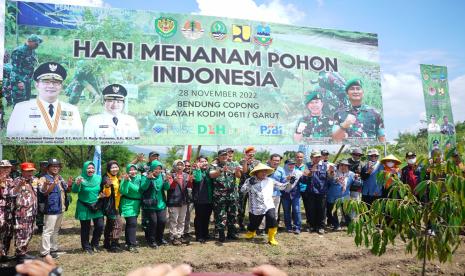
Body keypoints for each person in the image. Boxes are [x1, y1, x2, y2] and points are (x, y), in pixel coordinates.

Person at [7, 62, 83, 138]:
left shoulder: (73, 110)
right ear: (37, 85)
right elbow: (12, 138)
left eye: (56, 82)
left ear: (61, 86)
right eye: (46, 82)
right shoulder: (21, 109)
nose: (51, 86)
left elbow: (78, 138)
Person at [242, 163, 291, 245]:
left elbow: (282, 187)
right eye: (261, 171)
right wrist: (249, 184)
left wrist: (289, 182)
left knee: (272, 219)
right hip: (256, 207)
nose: (264, 173)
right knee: (254, 223)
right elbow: (242, 191)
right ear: (256, 172)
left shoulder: (270, 180)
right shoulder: (250, 180)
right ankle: (251, 232)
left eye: (265, 171)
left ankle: (271, 238)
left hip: (269, 205)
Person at [332, 78, 385, 142]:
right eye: (352, 89)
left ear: (362, 92)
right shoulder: (338, 114)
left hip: (368, 151)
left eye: (358, 89)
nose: (355, 91)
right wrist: (344, 125)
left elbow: (382, 138)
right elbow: (335, 138)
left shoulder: (375, 113)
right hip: (348, 151)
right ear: (347, 93)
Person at [39, 158, 71, 258]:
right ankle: (45, 252)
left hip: (60, 208)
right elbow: (45, 192)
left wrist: (70, 184)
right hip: (50, 208)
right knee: (48, 230)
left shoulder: (60, 177)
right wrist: (53, 184)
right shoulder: (43, 178)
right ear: (48, 167)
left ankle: (53, 249)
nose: (55, 168)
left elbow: (67, 190)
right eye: (53, 166)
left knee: (56, 230)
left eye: (57, 166)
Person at [209, 149, 242, 242]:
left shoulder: (233, 164)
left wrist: (237, 171)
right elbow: (212, 175)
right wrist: (220, 170)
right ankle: (221, 234)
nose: (224, 157)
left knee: (232, 214)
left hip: (232, 195)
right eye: (222, 155)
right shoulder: (214, 165)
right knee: (220, 215)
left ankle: (231, 233)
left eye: (225, 155)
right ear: (218, 157)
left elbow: (238, 176)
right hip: (220, 196)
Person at [72, 161, 104, 254]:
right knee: (85, 227)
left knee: (100, 225)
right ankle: (86, 246)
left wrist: (102, 194)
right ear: (85, 169)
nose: (91, 170)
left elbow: (101, 189)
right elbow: (74, 191)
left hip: (96, 206)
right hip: (84, 206)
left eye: (92, 168)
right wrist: (77, 184)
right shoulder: (80, 178)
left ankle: (95, 244)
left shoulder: (98, 178)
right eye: (88, 168)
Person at [9, 162, 39, 263]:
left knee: (29, 233)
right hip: (22, 212)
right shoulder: (17, 180)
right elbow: (12, 193)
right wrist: (19, 186)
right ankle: (19, 255)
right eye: (27, 171)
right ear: (22, 171)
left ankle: (23, 252)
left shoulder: (35, 180)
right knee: (21, 233)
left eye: (31, 171)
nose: (30, 173)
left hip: (32, 212)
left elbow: (42, 190)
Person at [298, 151, 334, 234]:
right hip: (310, 191)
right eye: (315, 157)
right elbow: (303, 180)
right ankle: (312, 226)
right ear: (311, 158)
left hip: (322, 192)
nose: (317, 158)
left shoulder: (326, 166)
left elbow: (330, 179)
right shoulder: (307, 166)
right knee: (311, 209)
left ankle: (321, 226)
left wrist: (331, 172)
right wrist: (310, 173)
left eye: (318, 157)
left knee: (321, 210)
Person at [140, 160, 170, 248]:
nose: (158, 170)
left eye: (159, 169)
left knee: (162, 221)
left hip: (161, 203)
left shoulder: (162, 176)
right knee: (153, 222)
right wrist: (149, 179)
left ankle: (160, 238)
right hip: (150, 204)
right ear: (152, 168)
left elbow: (166, 188)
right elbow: (143, 188)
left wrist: (166, 181)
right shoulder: (145, 176)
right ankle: (151, 240)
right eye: (156, 168)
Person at [326, 159, 360, 230]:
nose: (343, 167)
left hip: (345, 196)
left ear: (348, 166)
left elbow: (358, 184)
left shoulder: (352, 174)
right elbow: (329, 181)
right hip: (332, 195)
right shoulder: (333, 173)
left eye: (346, 165)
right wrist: (333, 177)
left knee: (346, 212)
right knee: (333, 211)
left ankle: (349, 226)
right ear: (339, 166)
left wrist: (357, 179)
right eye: (341, 165)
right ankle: (336, 225)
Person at [9, 34, 41, 105]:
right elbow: (15, 68)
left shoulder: (32, 51)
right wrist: (19, 81)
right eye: (36, 43)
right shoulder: (19, 51)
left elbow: (32, 66)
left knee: (26, 102)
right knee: (19, 102)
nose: (37, 45)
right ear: (30, 41)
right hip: (19, 81)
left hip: (27, 81)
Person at [167, 160, 192, 245]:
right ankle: (173, 236)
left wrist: (191, 181)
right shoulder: (170, 175)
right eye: (178, 165)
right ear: (174, 166)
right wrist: (174, 181)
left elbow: (190, 186)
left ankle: (180, 235)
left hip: (184, 201)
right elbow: (169, 187)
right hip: (173, 200)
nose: (180, 166)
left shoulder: (187, 175)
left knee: (182, 219)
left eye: (181, 165)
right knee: (173, 219)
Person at [119, 164, 143, 252]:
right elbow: (123, 191)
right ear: (128, 171)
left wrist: (129, 183)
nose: (133, 172)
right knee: (132, 223)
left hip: (136, 204)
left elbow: (139, 190)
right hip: (127, 203)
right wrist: (126, 182)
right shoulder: (125, 179)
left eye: (134, 170)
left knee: (130, 224)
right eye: (130, 170)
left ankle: (128, 242)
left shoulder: (140, 178)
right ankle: (132, 244)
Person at [101, 160, 123, 252]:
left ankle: (107, 243)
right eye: (112, 167)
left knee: (110, 225)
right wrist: (107, 186)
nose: (115, 169)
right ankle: (114, 244)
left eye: (116, 167)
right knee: (118, 224)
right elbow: (107, 194)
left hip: (116, 205)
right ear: (109, 169)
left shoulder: (115, 177)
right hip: (111, 206)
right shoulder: (107, 178)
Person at [192, 156, 213, 243]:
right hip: (199, 199)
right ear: (198, 163)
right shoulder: (195, 172)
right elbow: (198, 179)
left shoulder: (209, 172)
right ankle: (199, 235)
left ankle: (205, 233)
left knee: (207, 217)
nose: (204, 163)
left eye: (205, 161)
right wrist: (197, 169)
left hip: (209, 198)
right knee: (199, 218)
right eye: (202, 161)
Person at [238, 146, 259, 231]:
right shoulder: (241, 161)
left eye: (252, 152)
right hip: (243, 187)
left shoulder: (257, 162)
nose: (251, 154)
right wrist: (246, 162)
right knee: (241, 206)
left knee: (254, 206)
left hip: (254, 187)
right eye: (249, 153)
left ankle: (253, 224)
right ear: (245, 154)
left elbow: (258, 173)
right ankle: (240, 224)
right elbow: (244, 172)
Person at [281, 159, 303, 234]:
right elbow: (278, 182)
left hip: (295, 194)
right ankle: (288, 227)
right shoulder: (282, 172)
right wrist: (286, 179)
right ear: (285, 165)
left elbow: (304, 181)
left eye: (293, 164)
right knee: (286, 211)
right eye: (289, 164)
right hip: (285, 194)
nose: (291, 166)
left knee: (296, 211)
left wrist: (307, 175)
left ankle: (297, 227)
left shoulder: (298, 172)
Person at [0, 160, 15, 262]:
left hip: (9, 210)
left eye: (8, 168)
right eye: (3, 168)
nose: (6, 169)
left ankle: (4, 254)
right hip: (0, 209)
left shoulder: (11, 180)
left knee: (8, 232)